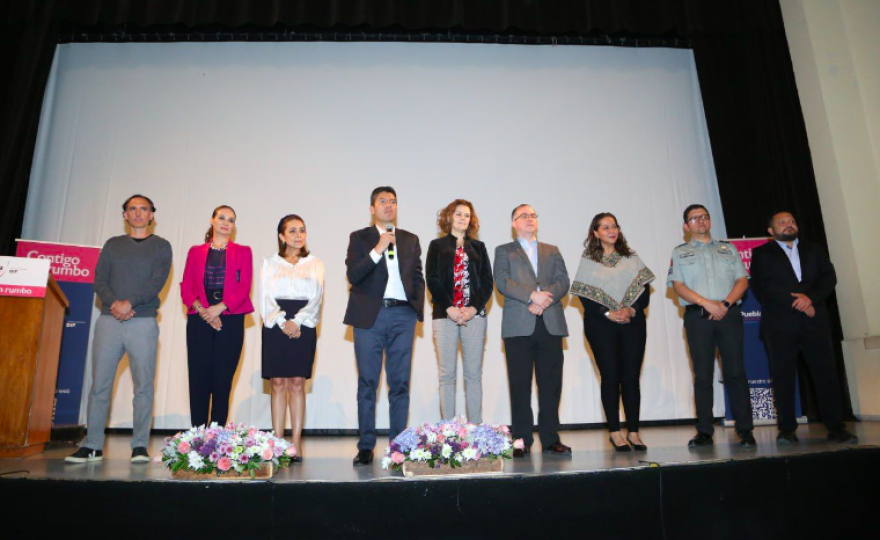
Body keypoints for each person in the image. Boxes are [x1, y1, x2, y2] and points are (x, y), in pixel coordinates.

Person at [66, 194, 172, 464]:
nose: (138, 213)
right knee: (99, 386)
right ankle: (92, 445)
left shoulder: (161, 246)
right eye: (132, 209)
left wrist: (130, 303)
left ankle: (139, 447)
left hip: (143, 322)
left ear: (152, 215)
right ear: (125, 215)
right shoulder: (112, 245)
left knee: (143, 388)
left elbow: (156, 283)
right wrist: (115, 303)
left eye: (143, 209)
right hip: (109, 321)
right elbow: (99, 280)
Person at [749, 211, 857, 445]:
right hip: (779, 325)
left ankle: (836, 427)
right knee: (783, 377)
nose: (788, 225)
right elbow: (762, 286)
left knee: (826, 375)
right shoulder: (761, 253)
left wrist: (810, 298)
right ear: (771, 231)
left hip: (814, 322)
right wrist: (796, 302)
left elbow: (828, 278)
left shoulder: (814, 249)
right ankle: (787, 429)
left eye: (791, 221)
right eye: (782, 223)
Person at [345, 187, 425, 465]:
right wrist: (378, 249)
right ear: (372, 208)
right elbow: (353, 275)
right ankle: (366, 445)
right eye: (382, 201)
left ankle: (398, 446)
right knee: (368, 382)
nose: (389, 206)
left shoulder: (410, 239)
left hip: (402, 315)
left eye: (393, 201)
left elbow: (417, 276)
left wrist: (416, 309)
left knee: (399, 383)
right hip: (370, 316)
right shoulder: (360, 238)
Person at [667, 204, 755, 447]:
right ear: (686, 226)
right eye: (695, 218)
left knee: (736, 372)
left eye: (704, 216)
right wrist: (707, 303)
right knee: (703, 374)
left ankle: (745, 430)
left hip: (729, 314)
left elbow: (742, 280)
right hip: (698, 317)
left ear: (710, 221)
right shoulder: (680, 252)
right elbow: (678, 285)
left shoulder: (728, 248)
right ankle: (704, 430)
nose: (701, 221)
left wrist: (724, 304)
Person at [570, 213, 654, 452]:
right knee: (610, 376)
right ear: (595, 233)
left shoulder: (631, 257)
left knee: (631, 377)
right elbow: (584, 297)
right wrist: (607, 312)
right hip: (601, 325)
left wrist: (632, 309)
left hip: (632, 323)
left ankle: (634, 432)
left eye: (614, 226)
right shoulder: (589, 260)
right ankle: (615, 433)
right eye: (605, 227)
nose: (611, 230)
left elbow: (645, 291)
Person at [495, 204, 571, 456]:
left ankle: (550, 438)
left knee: (550, 384)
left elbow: (563, 281)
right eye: (523, 216)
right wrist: (531, 296)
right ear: (514, 223)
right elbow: (502, 281)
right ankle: (521, 440)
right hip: (519, 325)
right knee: (520, 385)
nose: (529, 219)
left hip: (550, 322)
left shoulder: (552, 250)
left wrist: (544, 299)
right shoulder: (504, 251)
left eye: (533, 215)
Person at [180, 205, 254, 427]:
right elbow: (186, 286)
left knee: (222, 380)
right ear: (212, 220)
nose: (226, 222)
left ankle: (218, 436)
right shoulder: (195, 251)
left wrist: (219, 308)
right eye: (221, 217)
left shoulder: (243, 251)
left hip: (230, 317)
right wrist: (204, 311)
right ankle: (197, 435)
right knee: (199, 379)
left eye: (231, 220)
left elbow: (244, 286)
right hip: (199, 318)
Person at [260, 214, 324, 462]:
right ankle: (277, 441)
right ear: (281, 236)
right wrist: (281, 321)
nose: (298, 235)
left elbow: (317, 297)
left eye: (302, 230)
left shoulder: (316, 262)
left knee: (297, 382)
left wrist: (296, 321)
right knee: (277, 384)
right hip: (275, 323)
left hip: (303, 323)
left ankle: (295, 443)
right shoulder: (269, 263)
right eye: (292, 231)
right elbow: (265, 297)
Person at [426, 199, 493, 423]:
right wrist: (449, 308)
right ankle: (448, 432)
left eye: (467, 215)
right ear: (448, 218)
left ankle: (475, 429)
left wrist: (473, 308)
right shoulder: (436, 246)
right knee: (447, 376)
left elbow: (487, 282)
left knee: (473, 376)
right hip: (445, 317)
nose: (463, 218)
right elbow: (432, 280)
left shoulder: (479, 248)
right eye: (458, 214)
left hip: (474, 317)